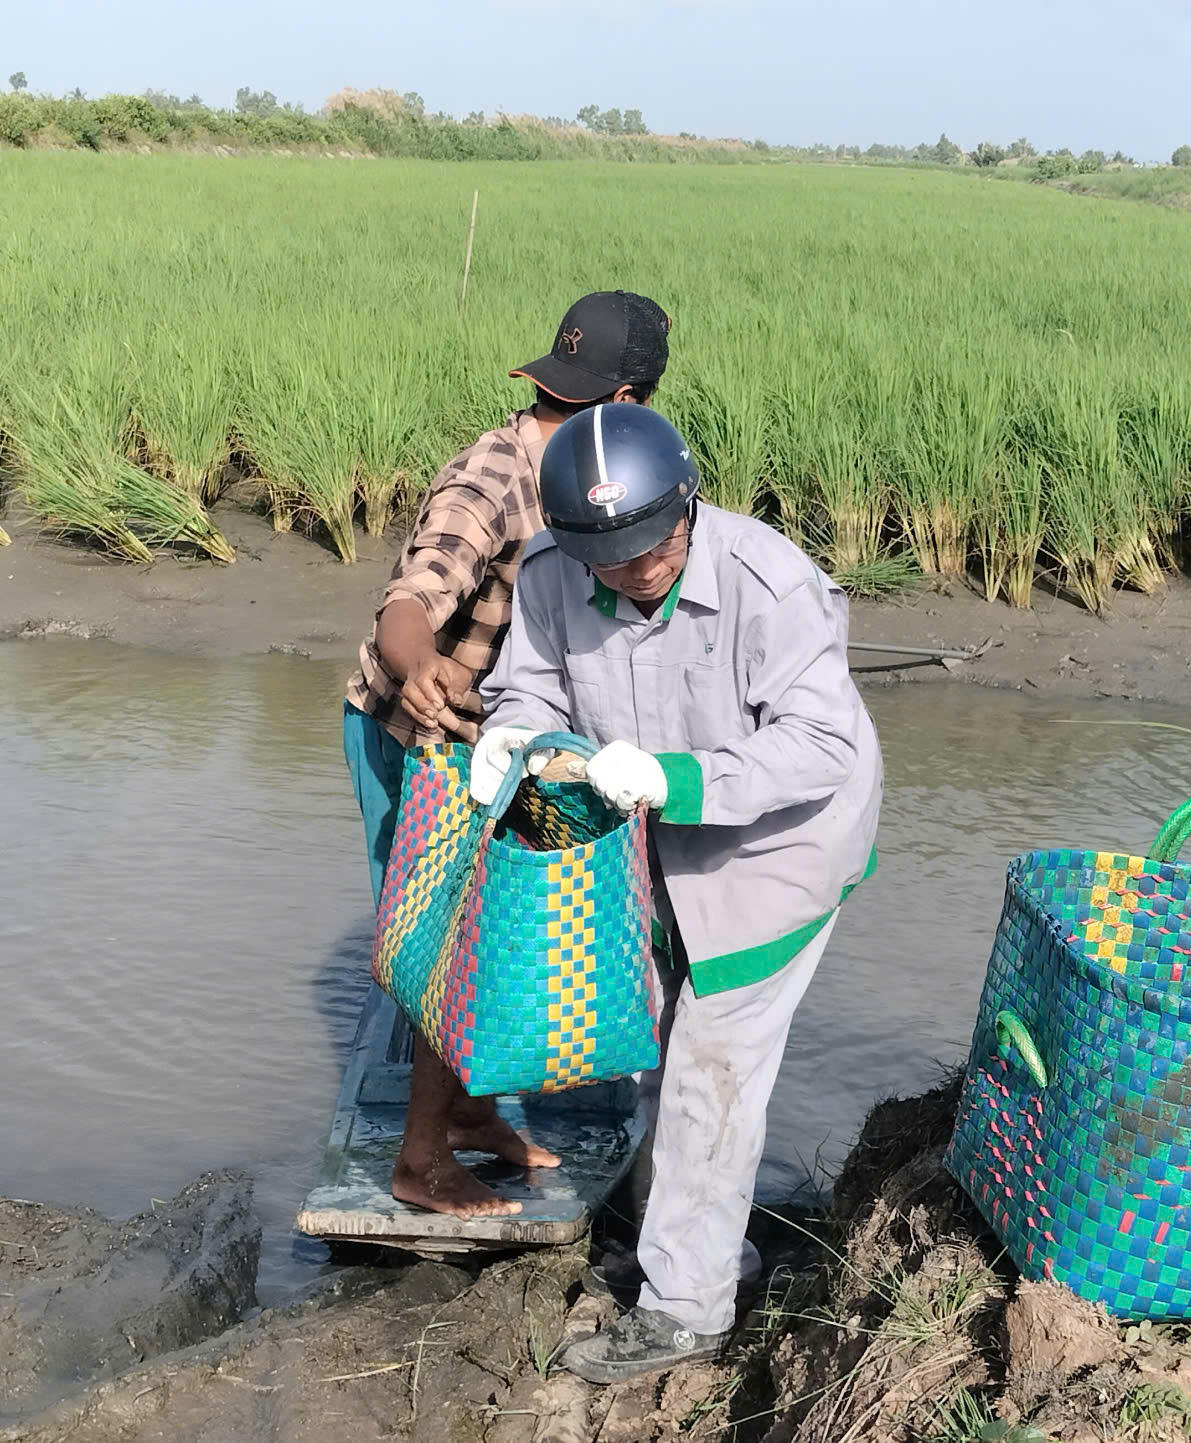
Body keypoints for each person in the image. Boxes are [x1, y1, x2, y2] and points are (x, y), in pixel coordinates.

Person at [471, 403, 883, 1384]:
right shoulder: (551, 573)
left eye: (652, 547)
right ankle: (699, 1243)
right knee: (652, 1035)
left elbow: (819, 745)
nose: (634, 569)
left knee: (711, 1061)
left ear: (686, 506)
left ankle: (687, 1309)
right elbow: (530, 688)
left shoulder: (768, 581)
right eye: (607, 559)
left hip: (779, 846)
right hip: (646, 846)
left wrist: (676, 778)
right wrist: (513, 735)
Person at [341, 290, 673, 1218]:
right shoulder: (497, 474)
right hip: (416, 730)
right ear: (628, 400)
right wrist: (419, 667)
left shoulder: (598, 475)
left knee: (491, 925)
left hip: (499, 734)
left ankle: (469, 1111)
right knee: (446, 935)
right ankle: (418, 1159)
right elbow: (410, 600)